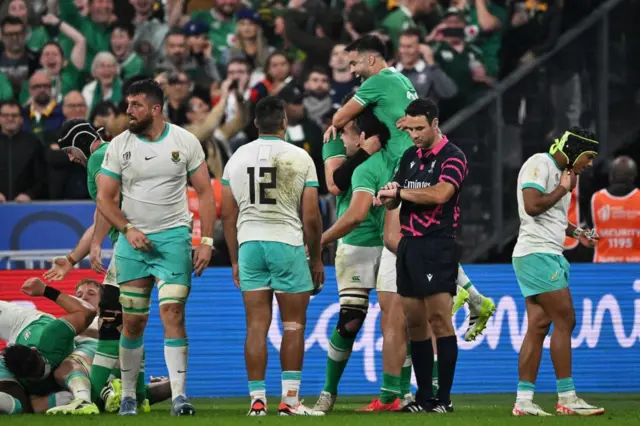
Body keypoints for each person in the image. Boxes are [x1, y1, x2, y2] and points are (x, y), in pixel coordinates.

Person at [97, 79, 216, 416]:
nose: (128, 111)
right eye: (128, 104)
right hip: (133, 242)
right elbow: (105, 198)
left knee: (173, 313)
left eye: (135, 105)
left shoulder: (185, 141)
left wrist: (205, 241)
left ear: (155, 108)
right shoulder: (119, 145)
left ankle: (180, 396)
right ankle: (131, 396)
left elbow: (206, 193)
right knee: (133, 322)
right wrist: (127, 229)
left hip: (173, 239)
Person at [220, 96, 324, 416]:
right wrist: (317, 258)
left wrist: (235, 259)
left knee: (256, 326)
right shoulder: (299, 157)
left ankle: (257, 402)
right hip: (286, 242)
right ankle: (290, 402)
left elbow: (227, 214)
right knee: (292, 325)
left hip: (250, 243)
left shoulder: (237, 156)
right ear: (284, 123)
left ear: (254, 124)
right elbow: (311, 217)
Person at [43, 119, 152, 413]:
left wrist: (96, 245)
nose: (69, 157)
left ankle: (87, 399)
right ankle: (139, 395)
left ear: (79, 140)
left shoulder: (97, 157)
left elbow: (107, 204)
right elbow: (100, 216)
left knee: (109, 325)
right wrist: (70, 259)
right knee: (132, 324)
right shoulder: (114, 152)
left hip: (130, 246)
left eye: (68, 150)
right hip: (146, 237)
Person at [314, 94, 413, 412]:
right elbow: (334, 185)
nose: (341, 130)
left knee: (401, 319)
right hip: (356, 241)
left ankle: (402, 392)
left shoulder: (394, 146)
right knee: (351, 320)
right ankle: (329, 392)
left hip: (391, 243)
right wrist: (363, 154)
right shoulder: (333, 138)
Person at [375, 99, 468, 413]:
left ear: (435, 123)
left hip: (437, 245)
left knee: (440, 319)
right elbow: (396, 200)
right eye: (410, 128)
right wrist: (389, 196)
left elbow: (441, 194)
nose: (414, 134)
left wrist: (400, 193)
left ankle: (444, 399)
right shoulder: (409, 156)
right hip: (409, 245)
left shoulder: (452, 156)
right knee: (414, 323)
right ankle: (424, 396)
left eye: (419, 128)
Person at [511, 127, 604, 416]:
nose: (589, 164)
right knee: (566, 319)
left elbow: (553, 215)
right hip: (537, 254)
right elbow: (532, 206)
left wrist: (577, 232)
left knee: (538, 326)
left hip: (543, 253)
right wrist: (563, 188)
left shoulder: (561, 171)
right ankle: (567, 398)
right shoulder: (540, 163)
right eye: (588, 156)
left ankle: (524, 401)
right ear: (576, 150)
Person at [0, 278, 97, 415]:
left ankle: (84, 399)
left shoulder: (51, 336)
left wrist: (46, 290)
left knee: (65, 369)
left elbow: (87, 312)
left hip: (25, 322)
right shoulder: (7, 365)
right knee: (19, 401)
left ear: (34, 349)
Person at [326, 35, 416, 165]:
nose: (352, 70)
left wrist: (337, 124)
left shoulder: (376, 81)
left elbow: (338, 119)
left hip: (401, 160)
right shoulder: (402, 79)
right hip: (414, 156)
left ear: (371, 59)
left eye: (354, 63)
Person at [590, 156, 640, 263]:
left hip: (603, 266)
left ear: (611, 176)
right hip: (635, 268)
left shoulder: (596, 199)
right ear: (634, 177)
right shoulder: (597, 199)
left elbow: (589, 231)